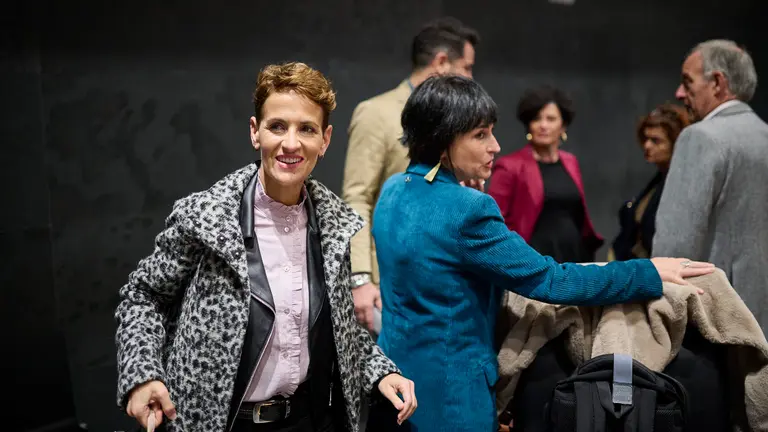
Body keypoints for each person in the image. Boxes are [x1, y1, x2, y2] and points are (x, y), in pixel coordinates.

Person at [370, 75, 713, 432]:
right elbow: (551, 280)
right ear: (443, 142)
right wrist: (648, 272)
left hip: (393, 379)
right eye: (480, 135)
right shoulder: (468, 209)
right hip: (451, 394)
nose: (495, 146)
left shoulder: (394, 189)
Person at [115, 62, 417, 432]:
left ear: (325, 140)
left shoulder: (335, 225)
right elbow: (143, 295)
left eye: (306, 129)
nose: (291, 143)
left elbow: (340, 327)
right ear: (256, 132)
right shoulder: (204, 216)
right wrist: (142, 374)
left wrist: (379, 371)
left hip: (308, 420)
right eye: (278, 126)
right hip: (219, 424)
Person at [341, 17, 480, 333]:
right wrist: (360, 277)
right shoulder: (376, 113)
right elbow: (357, 198)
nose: (472, 78)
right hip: (390, 283)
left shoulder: (459, 123)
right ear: (441, 62)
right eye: (467, 67)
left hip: (444, 283)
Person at [652, 39, 768, 332]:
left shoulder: (699, 138)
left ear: (717, 82)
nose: (679, 93)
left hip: (716, 316)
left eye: (687, 81)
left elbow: (674, 245)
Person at [487, 86, 601, 263]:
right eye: (536, 119)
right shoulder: (510, 166)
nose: (543, 125)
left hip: (574, 254)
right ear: (528, 125)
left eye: (551, 119)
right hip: (533, 258)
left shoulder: (570, 162)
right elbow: (495, 220)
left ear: (563, 125)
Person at [609, 103, 691, 261]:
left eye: (656, 141)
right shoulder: (658, 180)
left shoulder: (678, 183)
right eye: (645, 138)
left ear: (676, 143)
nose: (647, 146)